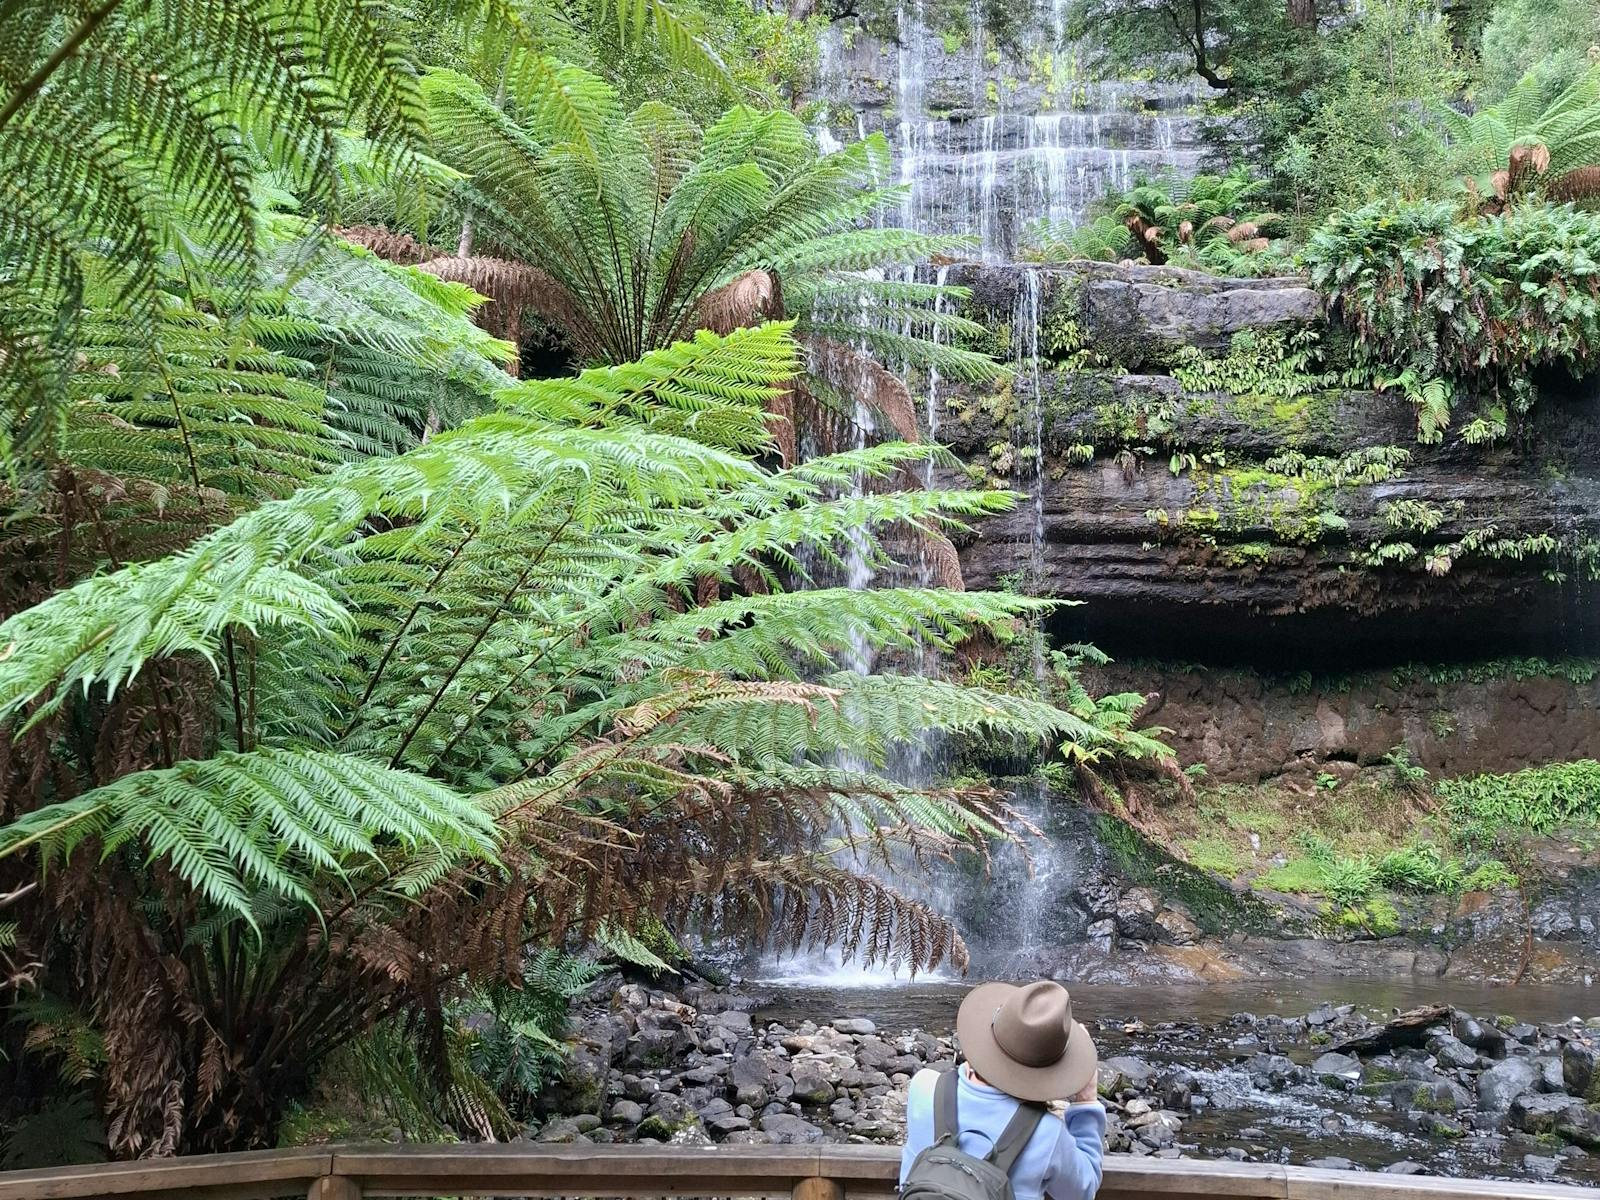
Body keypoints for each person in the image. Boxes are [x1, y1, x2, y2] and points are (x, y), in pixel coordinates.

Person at [899, 981, 1106, 1200]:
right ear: (1051, 1069)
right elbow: (1083, 1191)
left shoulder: (925, 1087)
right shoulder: (1048, 1133)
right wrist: (1086, 1100)